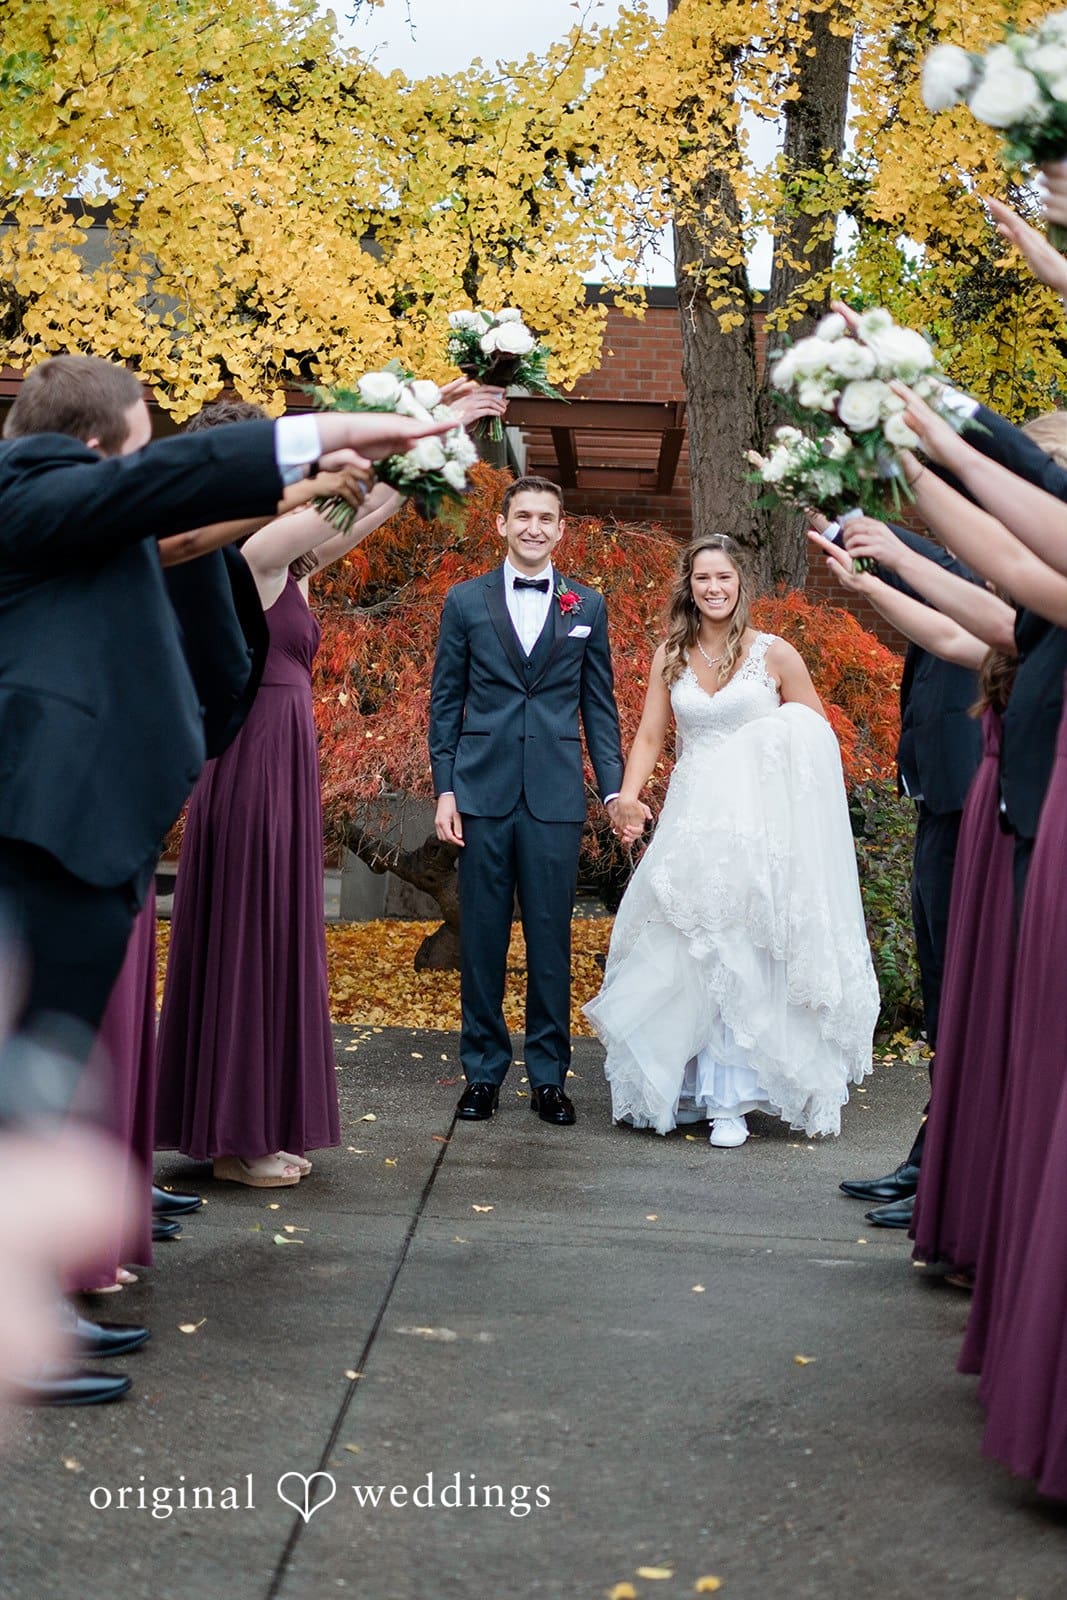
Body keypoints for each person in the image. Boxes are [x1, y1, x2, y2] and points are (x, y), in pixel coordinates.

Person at [157, 386, 508, 1184]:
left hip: (276, 751)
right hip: (250, 754)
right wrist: (419, 431)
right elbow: (341, 505)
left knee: (268, 931)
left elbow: (367, 511)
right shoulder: (246, 554)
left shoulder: (270, 552)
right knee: (251, 931)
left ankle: (244, 1124)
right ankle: (239, 1139)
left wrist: (429, 444)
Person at [584, 535, 878, 1146]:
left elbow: (816, 736)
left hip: (758, 826)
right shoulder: (671, 654)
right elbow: (647, 738)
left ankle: (732, 1100)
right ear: (688, 586)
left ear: (741, 584)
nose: (713, 589)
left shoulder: (775, 655)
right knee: (689, 949)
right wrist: (630, 796)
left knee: (744, 952)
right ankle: (689, 1088)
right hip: (693, 819)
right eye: (701, 579)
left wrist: (767, 747)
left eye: (723, 578)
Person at [429, 475, 628, 1127]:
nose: (534, 526)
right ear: (502, 525)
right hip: (481, 792)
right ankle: (481, 1072)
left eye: (546, 517)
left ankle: (548, 1078)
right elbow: (445, 702)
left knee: (550, 940)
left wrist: (614, 788)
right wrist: (445, 788)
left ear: (561, 529)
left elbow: (598, 705)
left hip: (552, 796)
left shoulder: (586, 606)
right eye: (523, 516)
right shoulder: (464, 602)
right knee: (481, 938)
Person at [824, 519, 986, 1227]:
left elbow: (920, 574)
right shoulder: (968, 569)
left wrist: (860, 527)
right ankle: (933, 1155)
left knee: (966, 997)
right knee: (940, 992)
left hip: (977, 807)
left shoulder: (1000, 575)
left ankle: (951, 1174)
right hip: (936, 804)